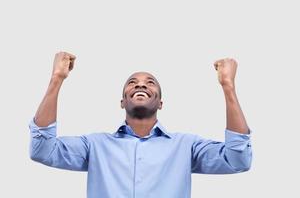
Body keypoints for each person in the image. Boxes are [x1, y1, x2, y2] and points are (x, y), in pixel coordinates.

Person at [29, 52, 252, 198]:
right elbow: (42, 150)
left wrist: (228, 87)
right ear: (122, 101)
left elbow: (238, 159)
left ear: (161, 103)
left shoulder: (186, 146)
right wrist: (56, 79)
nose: (141, 85)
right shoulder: (95, 145)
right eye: (132, 83)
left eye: (150, 83)